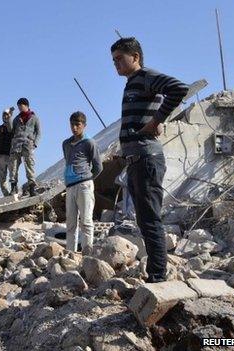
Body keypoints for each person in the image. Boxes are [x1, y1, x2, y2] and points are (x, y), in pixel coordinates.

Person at [111, 37, 188, 283]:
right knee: (144, 220)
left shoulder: (146, 76)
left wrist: (158, 120)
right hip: (135, 160)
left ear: (135, 57)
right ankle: (156, 273)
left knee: (150, 219)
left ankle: (158, 276)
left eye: (120, 59)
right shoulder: (132, 83)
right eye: (113, 61)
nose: (116, 65)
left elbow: (178, 88)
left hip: (146, 158)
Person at [63, 111, 103, 255]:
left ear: (84, 126)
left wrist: (87, 178)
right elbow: (68, 161)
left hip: (84, 185)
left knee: (86, 222)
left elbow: (98, 167)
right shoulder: (66, 144)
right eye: (72, 124)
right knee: (71, 224)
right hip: (70, 187)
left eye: (77, 124)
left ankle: (87, 256)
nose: (74, 128)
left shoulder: (89, 143)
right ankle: (70, 255)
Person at [8, 97, 41, 196]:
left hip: (28, 145)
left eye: (20, 106)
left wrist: (35, 143)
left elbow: (39, 132)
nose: (19, 108)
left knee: (30, 166)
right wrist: (9, 117)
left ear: (26, 105)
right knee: (13, 167)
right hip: (16, 145)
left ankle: (31, 188)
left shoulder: (34, 118)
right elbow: (11, 130)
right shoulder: (16, 119)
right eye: (18, 106)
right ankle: (14, 188)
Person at [0, 107, 15, 196]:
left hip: (11, 154)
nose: (5, 116)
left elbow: (12, 131)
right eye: (4, 115)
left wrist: (10, 115)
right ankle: (6, 194)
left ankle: (14, 191)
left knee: (13, 176)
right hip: (0, 156)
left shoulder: (13, 127)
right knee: (1, 178)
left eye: (7, 115)